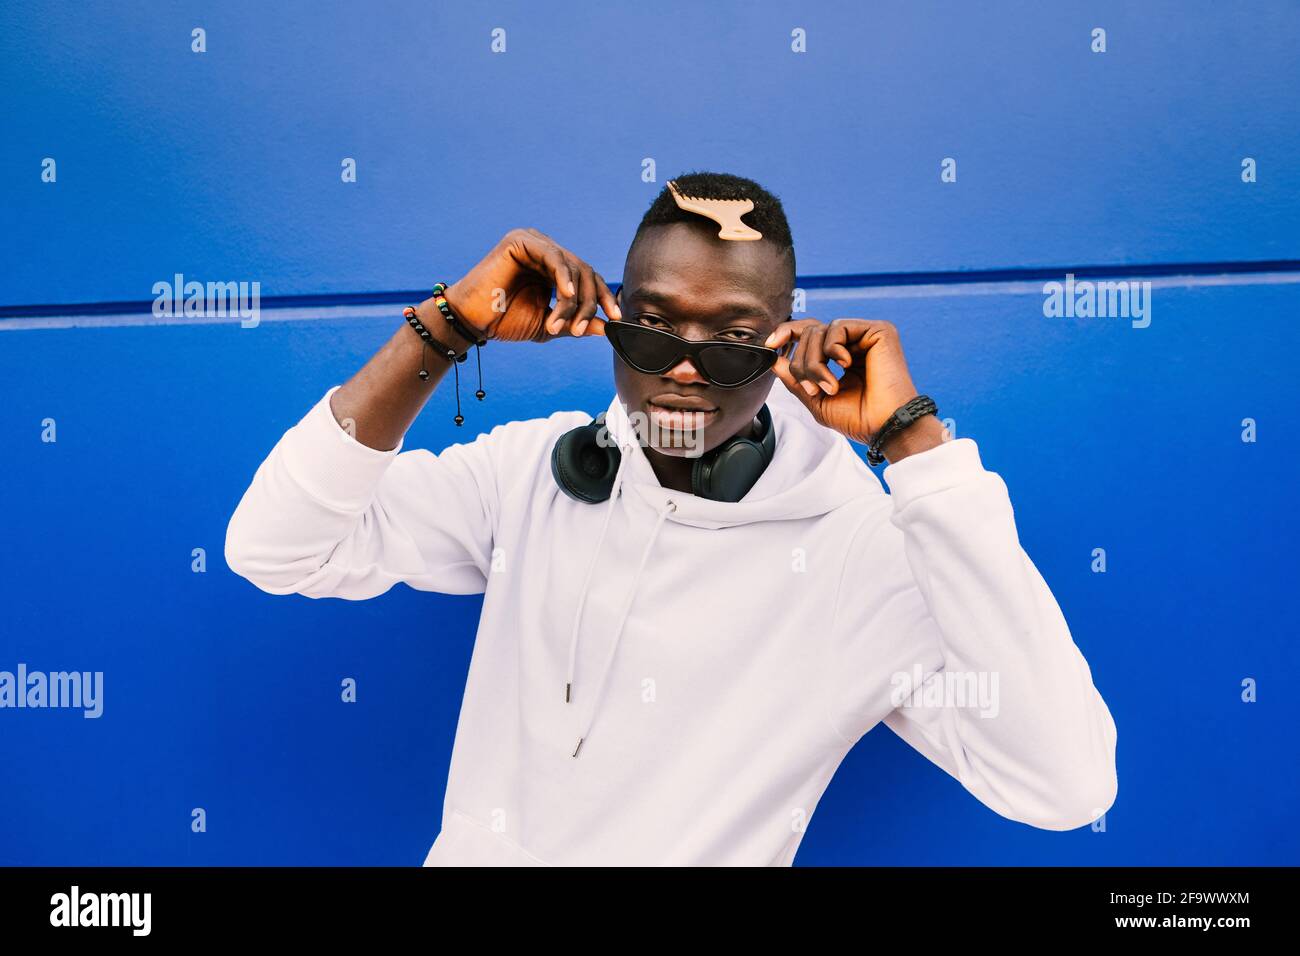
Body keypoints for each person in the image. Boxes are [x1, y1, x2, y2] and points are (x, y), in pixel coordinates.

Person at [224, 171, 1118, 866]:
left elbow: (1066, 785)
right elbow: (274, 549)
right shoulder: (532, 472)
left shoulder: (865, 555)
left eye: (730, 340)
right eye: (652, 329)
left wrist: (916, 449)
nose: (682, 371)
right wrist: (449, 328)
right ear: (608, 319)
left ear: (787, 344)